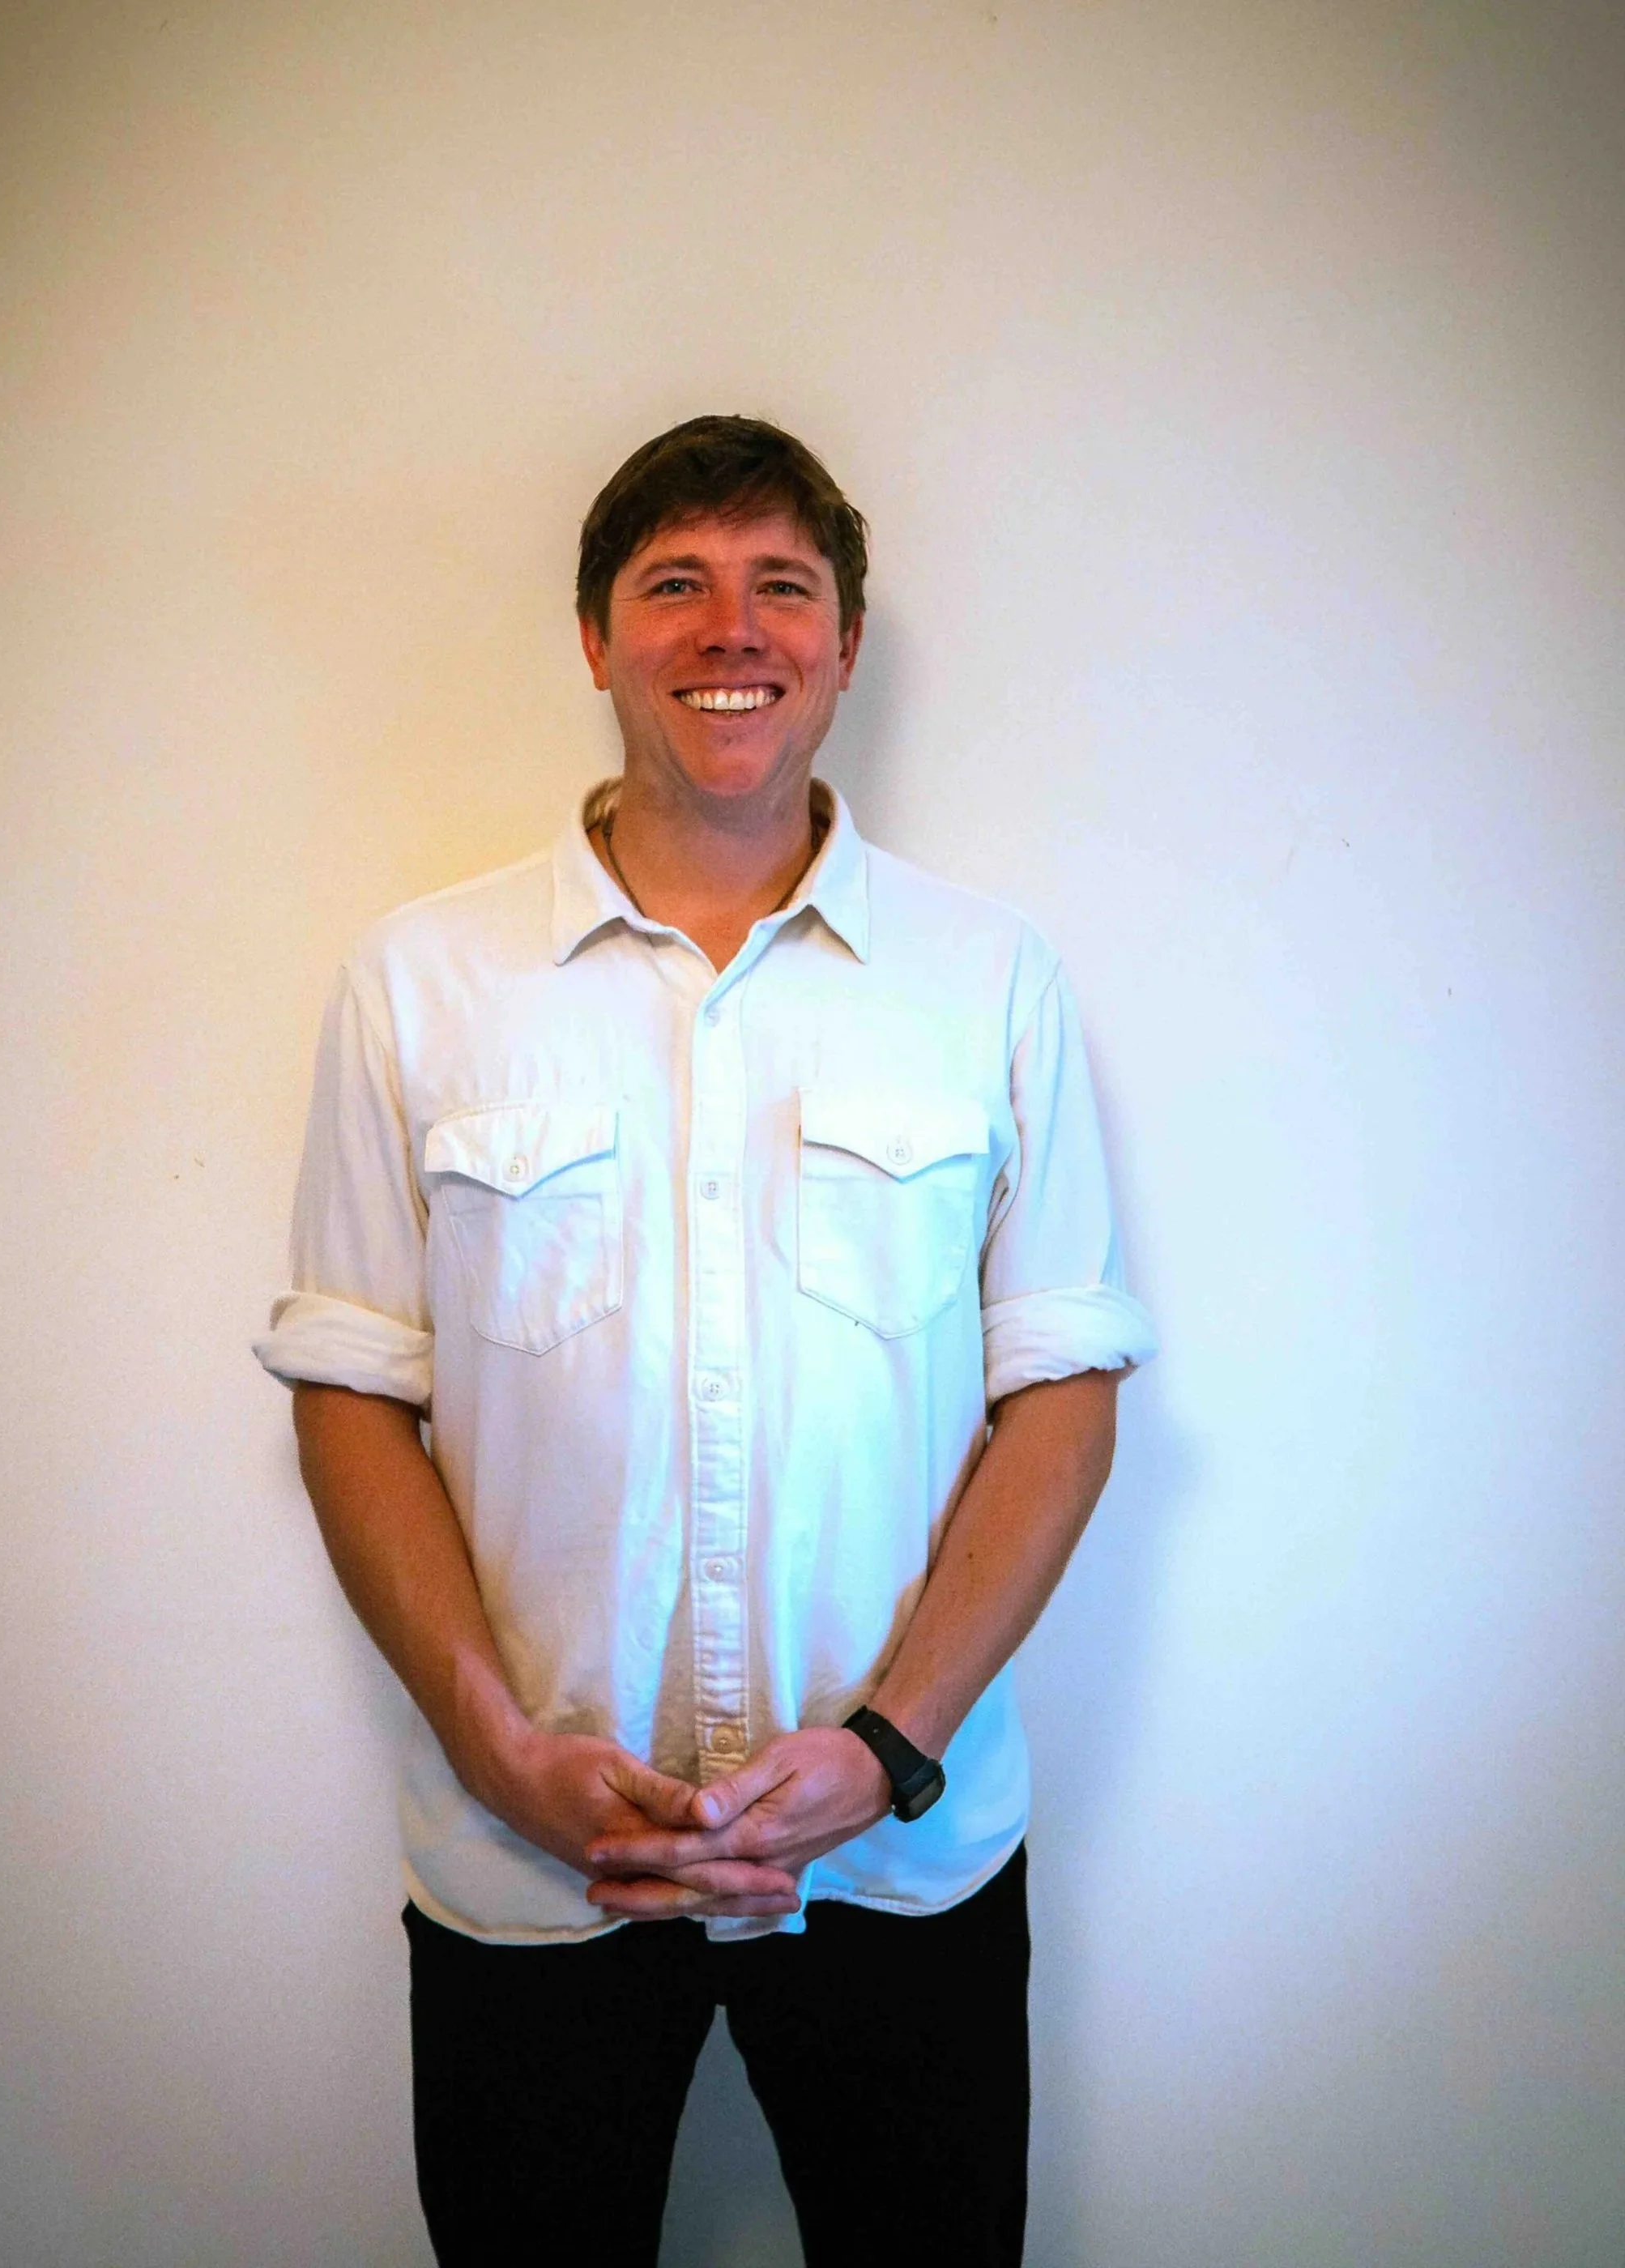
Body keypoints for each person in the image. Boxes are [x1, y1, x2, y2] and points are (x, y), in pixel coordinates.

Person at [254, 414, 1156, 2266]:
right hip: (538, 1864)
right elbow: (354, 1396)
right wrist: (502, 1752)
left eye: (779, 586)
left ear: (839, 641)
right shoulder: (423, 981)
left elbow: (1058, 1394)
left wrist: (887, 1749)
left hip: (903, 1858)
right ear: (593, 637)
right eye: (672, 583)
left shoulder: (988, 976)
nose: (727, 628)